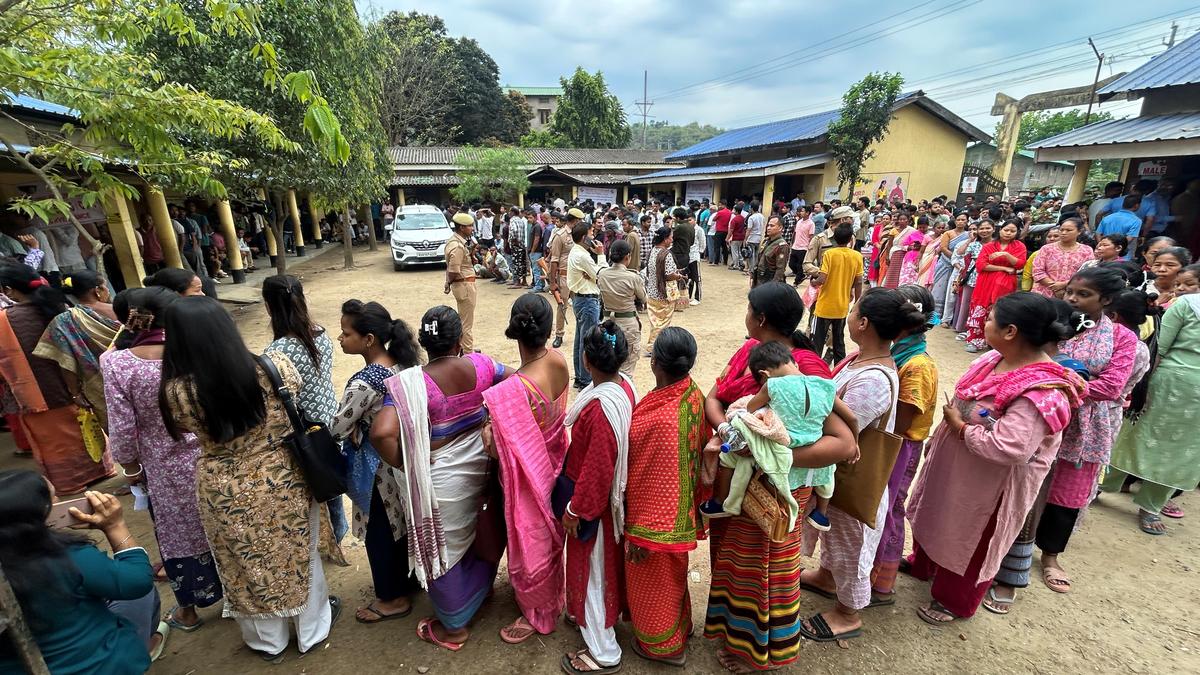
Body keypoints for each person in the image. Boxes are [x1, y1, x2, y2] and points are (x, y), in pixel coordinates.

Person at [160, 296, 344, 661]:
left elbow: (182, 426)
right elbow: (294, 396)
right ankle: (312, 631)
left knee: (244, 563)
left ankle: (268, 641)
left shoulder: (177, 392)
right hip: (283, 474)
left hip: (223, 485)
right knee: (300, 551)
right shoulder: (273, 366)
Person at [905, 292, 1086, 623]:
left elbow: (1011, 448)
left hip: (992, 486)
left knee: (973, 536)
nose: (984, 323)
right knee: (942, 513)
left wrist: (960, 428)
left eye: (990, 318)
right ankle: (924, 564)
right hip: (961, 467)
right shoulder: (993, 359)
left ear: (1011, 331)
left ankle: (954, 601)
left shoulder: (1041, 391)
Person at [704, 286, 857, 672]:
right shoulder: (750, 351)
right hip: (740, 479)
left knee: (767, 569)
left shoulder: (804, 369)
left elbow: (843, 442)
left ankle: (761, 651)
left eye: (748, 309)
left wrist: (765, 456)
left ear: (761, 318)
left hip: (779, 486)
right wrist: (726, 431)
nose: (746, 315)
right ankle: (735, 634)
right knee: (738, 560)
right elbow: (714, 397)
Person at [371, 306, 509, 650]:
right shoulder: (482, 365)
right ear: (459, 340)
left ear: (424, 342)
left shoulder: (410, 384)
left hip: (440, 482)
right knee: (476, 532)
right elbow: (519, 381)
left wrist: (406, 464)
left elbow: (382, 434)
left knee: (442, 553)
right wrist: (490, 420)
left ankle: (455, 628)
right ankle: (479, 591)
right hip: (481, 470)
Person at [797, 289, 921, 644]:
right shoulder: (860, 360)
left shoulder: (873, 379)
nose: (849, 317)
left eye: (853, 312)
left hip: (854, 475)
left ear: (863, 323)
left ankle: (848, 613)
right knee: (834, 534)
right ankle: (827, 577)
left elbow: (841, 428)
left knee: (852, 544)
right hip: (838, 474)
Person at [102, 286, 220, 631]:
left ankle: (189, 611)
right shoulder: (199, 352)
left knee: (176, 533)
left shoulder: (119, 364)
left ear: (131, 319)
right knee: (220, 522)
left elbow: (122, 427)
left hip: (163, 466)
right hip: (211, 455)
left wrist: (130, 466)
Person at [0, 472, 167, 674]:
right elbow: (138, 581)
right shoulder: (68, 557)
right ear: (39, 514)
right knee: (137, 592)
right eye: (53, 498)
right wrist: (115, 527)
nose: (59, 501)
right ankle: (143, 645)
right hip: (101, 666)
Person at [481, 295, 570, 644]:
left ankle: (539, 612)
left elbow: (495, 450)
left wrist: (488, 429)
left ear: (515, 330)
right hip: (557, 463)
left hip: (529, 478)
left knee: (532, 541)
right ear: (547, 330)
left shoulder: (510, 391)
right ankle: (552, 595)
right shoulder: (558, 360)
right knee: (550, 538)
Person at [621, 327, 708, 668]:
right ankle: (680, 628)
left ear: (655, 363)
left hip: (655, 521)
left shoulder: (661, 421)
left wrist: (642, 534)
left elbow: (654, 478)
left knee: (652, 584)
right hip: (677, 513)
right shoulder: (692, 393)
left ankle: (665, 648)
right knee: (672, 579)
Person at [332, 300, 422, 625]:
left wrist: (357, 429)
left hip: (374, 471)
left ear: (368, 339)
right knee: (402, 524)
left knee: (380, 531)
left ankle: (392, 598)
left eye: (346, 333)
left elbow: (337, 427)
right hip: (402, 461)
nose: (341, 339)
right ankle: (408, 581)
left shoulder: (364, 383)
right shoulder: (402, 365)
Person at [559, 321, 635, 675]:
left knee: (592, 572)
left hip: (596, 509)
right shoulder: (624, 387)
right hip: (606, 502)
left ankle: (604, 652)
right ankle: (591, 616)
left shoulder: (600, 409)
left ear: (586, 360)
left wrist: (576, 510)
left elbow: (598, 471)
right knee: (599, 570)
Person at [1101, 267, 1200, 533]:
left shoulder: (1185, 304)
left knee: (1169, 446)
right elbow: (1159, 348)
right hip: (1171, 383)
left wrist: (1142, 389)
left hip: (1178, 386)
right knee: (1149, 438)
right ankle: (1126, 494)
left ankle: (1134, 498)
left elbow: (1159, 347)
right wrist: (1142, 389)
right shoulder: (1186, 305)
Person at [0, 262, 113, 493]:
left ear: (8, 290)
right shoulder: (57, 305)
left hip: (37, 392)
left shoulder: (5, 319)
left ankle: (71, 482)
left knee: (54, 440)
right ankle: (102, 469)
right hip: (72, 382)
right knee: (83, 427)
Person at [871, 285, 940, 602]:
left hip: (899, 446)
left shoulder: (917, 365)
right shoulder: (898, 352)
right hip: (891, 442)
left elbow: (902, 421)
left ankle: (882, 583)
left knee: (889, 509)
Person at [262, 275, 344, 539]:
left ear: (269, 306)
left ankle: (329, 538)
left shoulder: (277, 351)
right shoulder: (321, 333)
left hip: (305, 433)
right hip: (330, 422)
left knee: (316, 494)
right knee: (333, 487)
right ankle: (339, 531)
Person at [33, 270, 120, 431]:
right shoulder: (122, 310)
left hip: (98, 387)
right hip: (132, 376)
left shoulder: (62, 322)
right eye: (105, 286)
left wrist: (75, 393)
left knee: (118, 429)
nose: (107, 290)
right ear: (97, 290)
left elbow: (66, 362)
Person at [964, 219, 1027, 353]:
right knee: (980, 310)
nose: (1008, 233)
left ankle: (995, 343)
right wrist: (1004, 268)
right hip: (985, 283)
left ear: (1017, 232)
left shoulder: (1019, 246)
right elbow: (981, 265)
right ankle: (975, 340)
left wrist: (1006, 255)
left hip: (1005, 285)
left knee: (1000, 312)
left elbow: (1020, 264)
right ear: (1000, 230)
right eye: (1006, 230)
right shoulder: (989, 246)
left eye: (1012, 231)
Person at [810, 224, 864, 364]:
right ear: (851, 239)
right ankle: (840, 367)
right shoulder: (857, 256)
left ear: (834, 238)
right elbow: (859, 282)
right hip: (841, 307)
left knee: (817, 341)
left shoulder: (829, 254)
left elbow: (822, 278)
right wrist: (857, 303)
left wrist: (814, 282)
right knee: (838, 340)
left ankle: (815, 368)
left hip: (824, 307)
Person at [567, 215, 608, 389]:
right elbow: (602, 275)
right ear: (584, 237)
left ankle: (580, 377)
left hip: (580, 299)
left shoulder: (577, 251)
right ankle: (584, 379)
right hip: (587, 300)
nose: (594, 236)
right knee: (587, 341)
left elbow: (593, 275)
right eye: (591, 233)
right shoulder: (582, 256)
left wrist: (592, 274)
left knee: (580, 340)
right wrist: (601, 255)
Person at [597, 240, 646, 376]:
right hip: (628, 324)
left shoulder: (602, 274)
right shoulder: (633, 277)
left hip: (607, 322)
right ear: (627, 257)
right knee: (627, 367)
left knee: (608, 362)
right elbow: (644, 298)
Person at [640, 226, 682, 356]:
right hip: (663, 294)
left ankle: (654, 345)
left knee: (655, 321)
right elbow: (668, 275)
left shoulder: (653, 250)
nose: (672, 240)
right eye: (671, 237)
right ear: (665, 239)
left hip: (652, 291)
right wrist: (678, 276)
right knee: (662, 322)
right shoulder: (666, 254)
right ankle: (654, 347)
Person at [1032, 218, 1093, 298]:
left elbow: (1088, 274)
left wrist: (1064, 285)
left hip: (1072, 295)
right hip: (1044, 294)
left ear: (1079, 231)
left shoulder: (1086, 250)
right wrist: (1055, 288)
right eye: (1061, 230)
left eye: (1068, 230)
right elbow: (1037, 271)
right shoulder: (1046, 249)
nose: (1064, 233)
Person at [444, 212, 477, 352]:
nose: (472, 229)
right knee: (466, 324)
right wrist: (449, 282)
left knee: (464, 321)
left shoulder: (455, 242)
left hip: (462, 284)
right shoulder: (457, 246)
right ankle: (467, 353)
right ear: (462, 228)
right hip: (464, 284)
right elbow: (454, 270)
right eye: (470, 226)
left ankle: (463, 348)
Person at [547, 211, 575, 348]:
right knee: (562, 306)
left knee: (580, 304)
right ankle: (559, 334)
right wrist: (552, 282)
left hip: (578, 276)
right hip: (564, 275)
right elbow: (554, 260)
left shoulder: (579, 234)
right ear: (574, 220)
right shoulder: (560, 236)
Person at [932, 212, 968, 316]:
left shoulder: (968, 235)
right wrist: (954, 259)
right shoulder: (948, 233)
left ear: (967, 221)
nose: (960, 222)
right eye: (958, 220)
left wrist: (958, 261)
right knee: (940, 287)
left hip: (960, 266)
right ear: (955, 221)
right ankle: (936, 313)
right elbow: (943, 248)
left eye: (963, 220)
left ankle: (950, 316)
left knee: (954, 290)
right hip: (945, 263)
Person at [751, 216, 789, 288]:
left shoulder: (782, 246)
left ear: (780, 228)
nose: (768, 228)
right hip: (759, 280)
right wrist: (753, 275)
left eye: (772, 226)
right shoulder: (766, 241)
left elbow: (780, 269)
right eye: (768, 225)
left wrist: (773, 286)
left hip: (769, 281)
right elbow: (759, 260)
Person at [789, 205, 814, 285]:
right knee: (791, 264)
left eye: (802, 211)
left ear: (807, 213)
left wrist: (809, 247)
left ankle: (797, 281)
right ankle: (801, 275)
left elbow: (811, 236)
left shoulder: (811, 223)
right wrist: (792, 243)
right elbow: (795, 233)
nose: (800, 213)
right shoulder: (799, 221)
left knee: (799, 265)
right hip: (795, 246)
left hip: (803, 247)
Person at [688, 213, 705, 305]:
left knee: (696, 278)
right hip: (687, 256)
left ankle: (697, 297)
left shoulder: (699, 230)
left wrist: (700, 252)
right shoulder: (687, 230)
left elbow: (702, 242)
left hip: (694, 256)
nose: (689, 222)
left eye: (690, 220)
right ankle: (689, 296)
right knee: (689, 277)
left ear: (695, 220)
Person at [710, 199, 732, 267]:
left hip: (719, 231)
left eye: (720, 205)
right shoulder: (730, 212)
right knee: (724, 247)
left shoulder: (720, 212)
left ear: (723, 205)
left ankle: (716, 262)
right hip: (726, 231)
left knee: (717, 247)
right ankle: (725, 261)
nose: (719, 206)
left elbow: (714, 219)